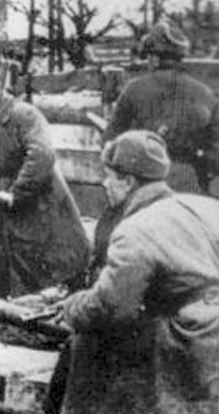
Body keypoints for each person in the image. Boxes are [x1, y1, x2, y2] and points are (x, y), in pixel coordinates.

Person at [56, 130, 219, 413]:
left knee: (88, 345)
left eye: (109, 177)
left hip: (192, 343)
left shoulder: (135, 230)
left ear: (128, 182)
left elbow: (112, 308)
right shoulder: (205, 206)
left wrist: (72, 307)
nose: (105, 184)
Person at [0, 71, 90, 298]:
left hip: (38, 195)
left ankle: (54, 299)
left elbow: (41, 155)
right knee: (1, 253)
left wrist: (18, 192)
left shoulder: (24, 115)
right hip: (2, 196)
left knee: (45, 252)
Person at [104, 20, 219, 195]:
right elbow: (215, 152)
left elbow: (111, 141)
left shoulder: (134, 89)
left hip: (146, 183)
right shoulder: (206, 94)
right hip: (191, 184)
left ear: (154, 58)